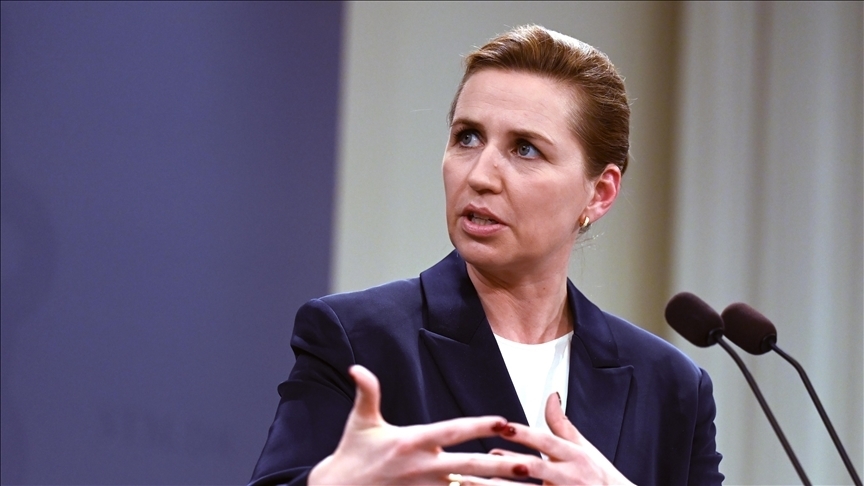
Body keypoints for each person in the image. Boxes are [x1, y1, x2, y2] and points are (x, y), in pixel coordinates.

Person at [250, 25, 723, 485]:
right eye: (468, 137)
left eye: (525, 149)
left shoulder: (671, 387)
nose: (480, 175)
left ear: (599, 193)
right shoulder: (360, 340)